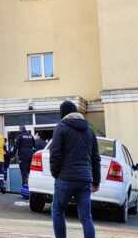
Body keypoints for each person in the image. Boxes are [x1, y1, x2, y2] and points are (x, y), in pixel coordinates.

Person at [50, 101, 100, 238]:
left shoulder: (61, 128)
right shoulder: (89, 131)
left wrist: (56, 174)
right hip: (85, 180)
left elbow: (55, 154)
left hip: (65, 179)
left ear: (63, 113)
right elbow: (96, 158)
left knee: (58, 212)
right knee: (86, 217)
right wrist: (96, 181)